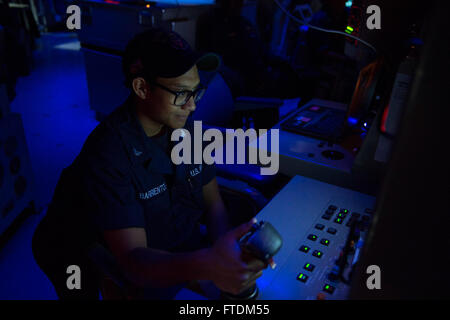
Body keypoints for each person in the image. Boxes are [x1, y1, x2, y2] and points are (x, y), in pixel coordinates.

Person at [32, 28, 269, 300]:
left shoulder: (187, 130)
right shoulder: (109, 153)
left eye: (196, 92)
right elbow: (134, 261)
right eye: (181, 94)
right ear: (142, 88)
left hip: (139, 240)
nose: (192, 106)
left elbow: (213, 204)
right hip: (70, 244)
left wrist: (225, 254)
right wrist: (206, 265)